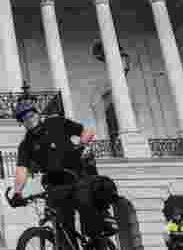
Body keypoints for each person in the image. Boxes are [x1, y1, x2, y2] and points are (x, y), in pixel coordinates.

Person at [8, 99, 118, 240]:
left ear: (38, 114)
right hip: (55, 186)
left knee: (89, 218)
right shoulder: (25, 145)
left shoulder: (56, 123)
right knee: (63, 233)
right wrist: (17, 192)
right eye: (24, 119)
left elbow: (87, 131)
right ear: (22, 123)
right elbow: (22, 170)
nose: (29, 121)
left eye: (31, 116)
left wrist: (81, 145)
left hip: (77, 176)